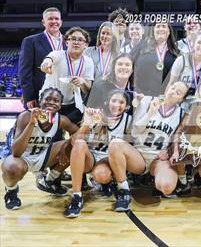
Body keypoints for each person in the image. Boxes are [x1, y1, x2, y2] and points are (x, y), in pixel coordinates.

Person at [106, 81, 188, 211]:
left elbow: (179, 138)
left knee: (167, 187)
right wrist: (150, 112)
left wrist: (169, 150)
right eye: (172, 87)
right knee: (115, 144)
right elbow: (134, 132)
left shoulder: (181, 114)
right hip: (138, 156)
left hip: (158, 159)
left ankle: (155, 181)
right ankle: (124, 191)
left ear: (181, 99)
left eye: (178, 92)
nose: (173, 92)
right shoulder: (147, 101)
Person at [2, 88, 78, 210]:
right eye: (47, 99)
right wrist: (32, 124)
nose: (51, 102)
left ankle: (50, 180)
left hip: (42, 154)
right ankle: (11, 190)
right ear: (40, 101)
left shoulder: (60, 119)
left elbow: (77, 133)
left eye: (56, 100)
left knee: (75, 146)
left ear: (60, 105)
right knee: (12, 168)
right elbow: (16, 152)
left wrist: (66, 144)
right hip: (21, 157)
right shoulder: (26, 116)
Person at [64, 90, 132, 218]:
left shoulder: (128, 120)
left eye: (121, 102)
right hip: (91, 158)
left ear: (127, 106)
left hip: (109, 160)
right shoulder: (94, 115)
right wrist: (87, 124)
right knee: (79, 143)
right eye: (114, 101)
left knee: (101, 175)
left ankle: (109, 182)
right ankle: (77, 196)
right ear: (107, 102)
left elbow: (130, 147)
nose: (117, 104)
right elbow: (74, 141)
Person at [40, 27, 94, 124]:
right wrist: (46, 63)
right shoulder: (58, 54)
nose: (76, 42)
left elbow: (87, 89)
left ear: (86, 45)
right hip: (50, 102)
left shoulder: (88, 61)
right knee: (50, 134)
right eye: (73, 39)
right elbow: (50, 58)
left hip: (72, 104)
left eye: (80, 40)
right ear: (67, 42)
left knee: (74, 134)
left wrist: (83, 82)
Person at [18, 7, 66, 109]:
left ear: (61, 22)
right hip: (40, 96)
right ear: (43, 22)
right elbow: (25, 72)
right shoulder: (30, 41)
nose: (54, 21)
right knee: (39, 124)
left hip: (65, 95)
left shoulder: (69, 42)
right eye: (50, 19)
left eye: (57, 19)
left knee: (62, 124)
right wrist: (29, 97)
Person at [131, 22, 179, 96]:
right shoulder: (141, 47)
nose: (161, 29)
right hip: (142, 96)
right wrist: (136, 90)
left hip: (166, 97)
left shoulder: (176, 52)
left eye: (163, 26)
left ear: (169, 31)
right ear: (153, 30)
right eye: (158, 26)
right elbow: (130, 66)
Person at [167, 30, 201, 96]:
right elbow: (171, 83)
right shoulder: (181, 60)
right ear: (193, 44)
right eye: (199, 42)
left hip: (197, 101)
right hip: (178, 98)